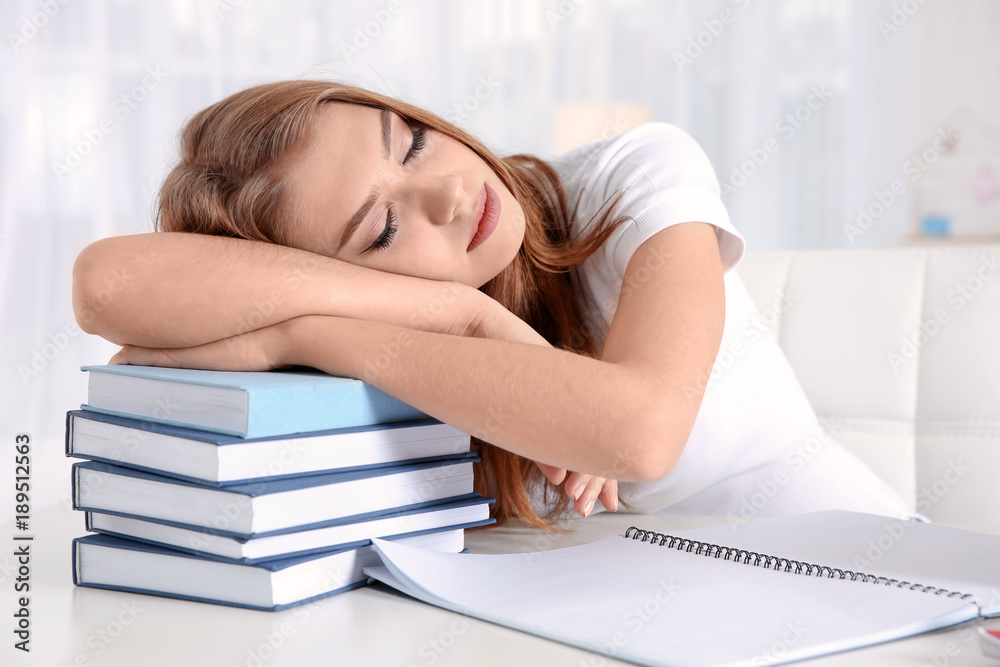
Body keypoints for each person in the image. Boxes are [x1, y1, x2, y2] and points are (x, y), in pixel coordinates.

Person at [71, 80, 913, 531]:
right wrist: (455, 315)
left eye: (410, 139)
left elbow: (638, 432)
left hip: (879, 592)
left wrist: (303, 329)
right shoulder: (412, 319)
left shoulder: (635, 178)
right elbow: (104, 286)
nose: (447, 190)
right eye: (384, 225)